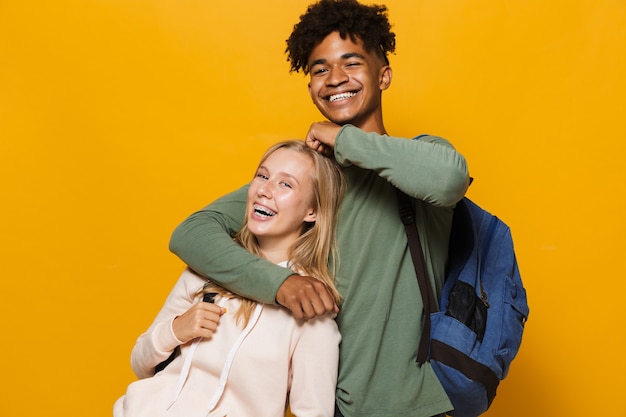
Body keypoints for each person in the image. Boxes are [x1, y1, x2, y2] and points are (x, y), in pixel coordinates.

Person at [169, 0, 470, 416]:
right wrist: (280, 285)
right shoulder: (306, 181)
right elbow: (192, 232)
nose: (335, 79)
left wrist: (341, 139)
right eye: (320, 69)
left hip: (411, 404)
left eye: (352, 63)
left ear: (383, 76)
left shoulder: (421, 157)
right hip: (326, 407)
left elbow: (449, 180)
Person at [114, 140, 346, 417]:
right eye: (262, 176)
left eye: (286, 184)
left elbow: (314, 412)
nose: (264, 190)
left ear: (313, 211)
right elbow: (140, 363)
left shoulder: (309, 310)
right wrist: (175, 330)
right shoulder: (208, 267)